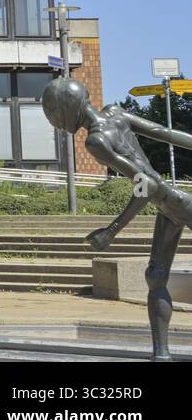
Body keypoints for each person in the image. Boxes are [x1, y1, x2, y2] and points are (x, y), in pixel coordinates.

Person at [42, 77, 192, 361]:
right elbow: (166, 133)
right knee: (155, 277)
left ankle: (162, 353)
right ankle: (161, 353)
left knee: (157, 278)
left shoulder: (96, 141)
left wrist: (111, 231)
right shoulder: (116, 113)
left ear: (63, 111)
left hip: (175, 203)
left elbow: (145, 185)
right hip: (169, 208)